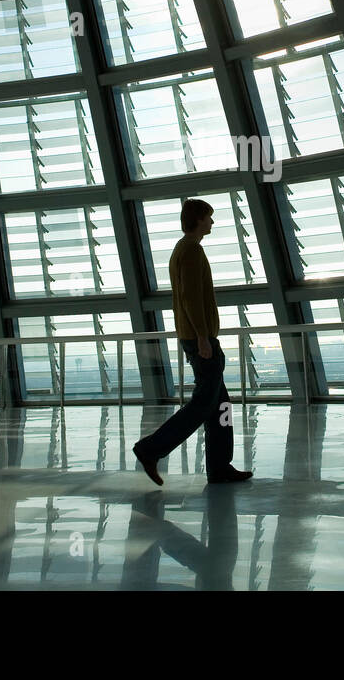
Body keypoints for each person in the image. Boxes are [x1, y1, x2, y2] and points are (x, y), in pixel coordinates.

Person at [132, 199, 253, 486]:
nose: (212, 222)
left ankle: (220, 466)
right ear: (198, 219)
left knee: (221, 405)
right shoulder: (190, 250)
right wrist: (202, 336)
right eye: (209, 217)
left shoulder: (184, 249)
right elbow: (190, 298)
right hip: (201, 339)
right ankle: (150, 449)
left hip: (200, 337)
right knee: (202, 404)